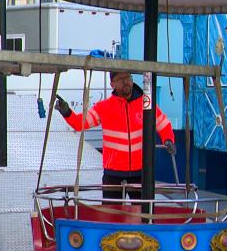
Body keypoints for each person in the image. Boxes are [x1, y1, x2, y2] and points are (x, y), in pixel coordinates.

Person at [55, 71, 176, 200]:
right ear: (112, 84)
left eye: (127, 77)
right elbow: (80, 123)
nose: (125, 81)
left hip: (141, 173)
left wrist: (168, 139)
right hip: (112, 175)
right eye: (120, 79)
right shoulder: (104, 107)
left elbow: (163, 124)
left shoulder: (146, 104)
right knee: (110, 215)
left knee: (143, 216)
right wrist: (67, 111)